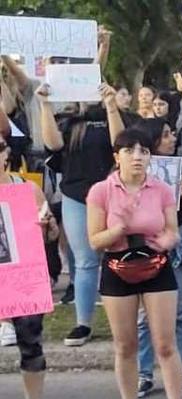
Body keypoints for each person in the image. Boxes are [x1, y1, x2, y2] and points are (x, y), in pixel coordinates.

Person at [86, 128, 182, 399]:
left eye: (144, 151)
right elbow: (95, 241)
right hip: (117, 267)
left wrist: (167, 241)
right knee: (125, 345)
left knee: (164, 344)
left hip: (156, 266)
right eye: (130, 150)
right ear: (117, 156)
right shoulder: (101, 191)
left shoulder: (161, 190)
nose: (137, 156)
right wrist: (119, 227)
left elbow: (173, 232)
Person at [36, 81, 129, 347]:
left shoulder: (108, 114)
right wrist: (44, 104)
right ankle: (83, 323)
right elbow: (53, 144)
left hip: (112, 194)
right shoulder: (68, 121)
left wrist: (111, 106)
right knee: (86, 260)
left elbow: (119, 143)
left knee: (119, 255)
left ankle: (124, 320)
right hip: (76, 196)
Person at [131, 118, 182, 399]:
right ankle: (144, 372)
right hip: (146, 243)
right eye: (167, 135)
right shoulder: (132, 172)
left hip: (179, 241)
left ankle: (181, 371)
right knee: (146, 314)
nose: (173, 139)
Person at [0, 138, 58, 399]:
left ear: (6, 153)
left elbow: (51, 236)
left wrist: (47, 226)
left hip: (21, 278)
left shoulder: (27, 189)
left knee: (31, 344)